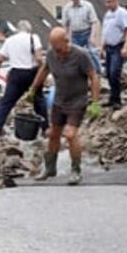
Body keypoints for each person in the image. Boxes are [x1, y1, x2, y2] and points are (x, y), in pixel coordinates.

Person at [27, 27, 101, 185]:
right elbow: (44, 69)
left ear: (66, 41)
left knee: (70, 134)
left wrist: (95, 101)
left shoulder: (81, 55)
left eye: (59, 48)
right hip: (59, 101)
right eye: (54, 48)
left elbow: (94, 76)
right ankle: (49, 168)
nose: (57, 52)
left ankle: (75, 170)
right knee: (53, 134)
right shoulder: (52, 55)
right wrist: (33, 89)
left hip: (77, 101)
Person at [0, 20, 45, 139]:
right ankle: (46, 128)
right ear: (29, 29)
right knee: (39, 101)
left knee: (6, 102)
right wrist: (42, 72)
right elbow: (39, 58)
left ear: (18, 29)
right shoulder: (33, 38)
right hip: (31, 72)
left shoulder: (10, 40)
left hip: (15, 74)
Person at [99, 0, 127, 109]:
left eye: (110, 2)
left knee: (115, 73)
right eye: (106, 2)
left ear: (115, 1)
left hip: (117, 46)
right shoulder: (107, 15)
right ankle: (112, 97)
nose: (107, 4)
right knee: (108, 73)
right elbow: (105, 32)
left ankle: (117, 99)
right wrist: (102, 47)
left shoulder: (122, 13)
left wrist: (125, 46)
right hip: (108, 47)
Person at [62, 0, 102, 73]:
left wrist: (92, 36)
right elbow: (65, 25)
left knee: (92, 52)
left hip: (86, 32)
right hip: (75, 34)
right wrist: (66, 38)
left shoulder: (88, 6)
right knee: (75, 54)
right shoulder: (67, 8)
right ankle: (79, 71)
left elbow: (94, 22)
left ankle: (99, 70)